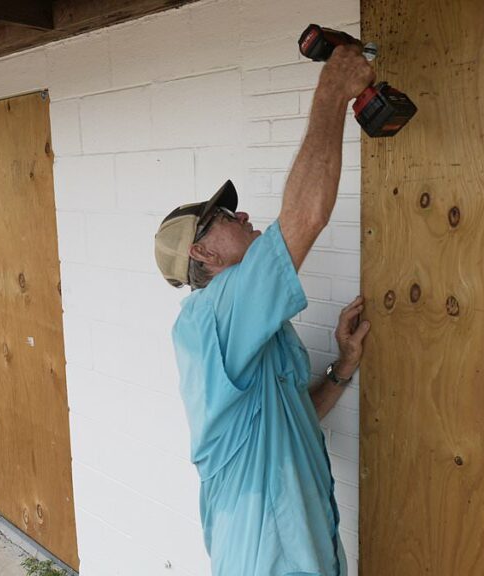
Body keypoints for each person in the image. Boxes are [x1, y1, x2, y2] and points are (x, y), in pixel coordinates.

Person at [153, 44, 375, 575]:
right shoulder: (209, 316)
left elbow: (291, 416)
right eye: (226, 215)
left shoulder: (254, 326)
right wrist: (331, 92)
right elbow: (305, 217)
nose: (243, 213)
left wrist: (341, 367)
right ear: (202, 253)